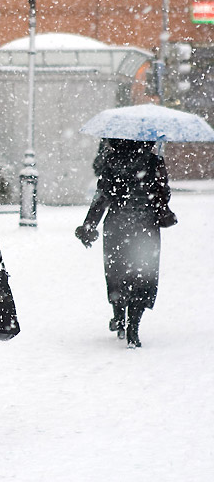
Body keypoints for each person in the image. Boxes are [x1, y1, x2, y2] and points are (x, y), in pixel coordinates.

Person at [75, 138, 177, 348]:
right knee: (142, 276)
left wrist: (89, 225)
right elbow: (163, 195)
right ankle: (134, 328)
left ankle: (119, 317)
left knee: (117, 274)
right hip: (145, 226)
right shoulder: (154, 161)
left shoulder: (111, 161)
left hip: (117, 225)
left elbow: (102, 196)